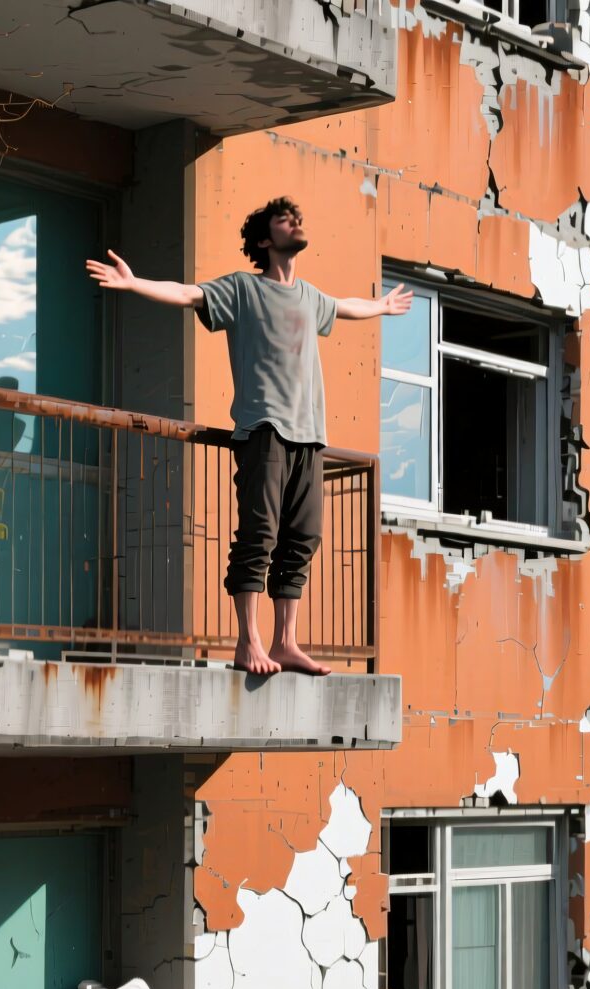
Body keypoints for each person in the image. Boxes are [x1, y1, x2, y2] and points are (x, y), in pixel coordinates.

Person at [85, 199, 412, 677]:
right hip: (265, 430)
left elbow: (346, 306)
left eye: (298, 218)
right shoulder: (243, 289)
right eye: (285, 220)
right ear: (264, 240)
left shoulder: (310, 297)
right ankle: (248, 641)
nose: (296, 223)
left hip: (310, 436)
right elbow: (188, 294)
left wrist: (381, 306)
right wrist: (135, 283)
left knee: (304, 536)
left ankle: (286, 642)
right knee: (260, 534)